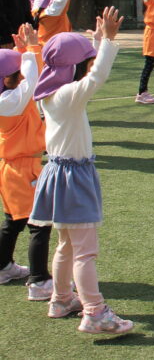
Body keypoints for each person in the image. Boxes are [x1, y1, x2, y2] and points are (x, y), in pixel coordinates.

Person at [29, 7, 134, 335]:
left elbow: (85, 72)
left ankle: (61, 300)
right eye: (84, 61)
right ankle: (95, 312)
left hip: (59, 174)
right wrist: (108, 43)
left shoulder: (51, 94)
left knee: (67, 245)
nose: (89, 64)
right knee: (85, 251)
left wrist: (98, 42)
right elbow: (96, 78)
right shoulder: (67, 96)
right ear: (73, 68)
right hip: (73, 178)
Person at [0, 24, 53, 301]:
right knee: (39, 224)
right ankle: (39, 281)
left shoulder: (10, 96)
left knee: (14, 221)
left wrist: (24, 51)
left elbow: (32, 76)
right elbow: (32, 79)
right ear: (9, 79)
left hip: (12, 168)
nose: (22, 74)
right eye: (17, 72)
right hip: (22, 169)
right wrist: (30, 49)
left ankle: (3, 267)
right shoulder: (11, 101)